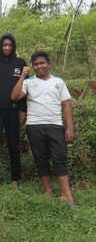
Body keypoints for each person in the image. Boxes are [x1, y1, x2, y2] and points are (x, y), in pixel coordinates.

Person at [10, 51, 75, 206]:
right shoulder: (29, 82)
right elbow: (15, 96)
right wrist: (22, 76)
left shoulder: (58, 82)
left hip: (55, 125)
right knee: (41, 159)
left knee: (59, 159)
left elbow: (66, 105)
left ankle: (66, 194)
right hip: (34, 126)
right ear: (32, 67)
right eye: (36, 64)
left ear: (49, 64)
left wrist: (69, 127)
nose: (39, 66)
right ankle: (48, 191)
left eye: (42, 63)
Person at [0, 33, 27, 187]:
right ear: (0, 47)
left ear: (13, 46)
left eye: (10, 45)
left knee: (14, 143)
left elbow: (25, 88)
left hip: (13, 110)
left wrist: (23, 109)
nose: (7, 47)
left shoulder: (20, 63)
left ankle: (15, 179)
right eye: (4, 45)